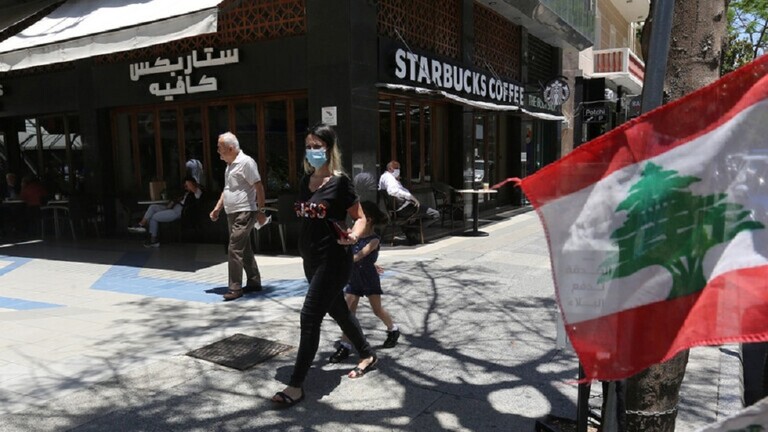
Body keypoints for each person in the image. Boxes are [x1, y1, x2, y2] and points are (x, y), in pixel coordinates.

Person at [271, 123, 377, 408]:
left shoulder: (340, 183)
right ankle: (367, 354)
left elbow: (360, 217)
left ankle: (295, 385)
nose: (312, 151)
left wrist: (354, 236)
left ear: (329, 149)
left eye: (317, 146)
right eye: (308, 146)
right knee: (338, 310)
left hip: (334, 259)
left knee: (309, 316)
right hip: (311, 259)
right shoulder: (305, 181)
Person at [329, 200, 400, 364]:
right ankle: (345, 345)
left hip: (368, 278)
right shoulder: (353, 234)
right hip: (353, 277)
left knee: (377, 310)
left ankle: (393, 329)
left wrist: (343, 262)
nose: (354, 221)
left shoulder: (374, 240)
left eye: (358, 218)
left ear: (368, 219)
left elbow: (359, 255)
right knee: (348, 313)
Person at [209, 132, 267, 301]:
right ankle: (254, 281)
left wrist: (261, 211)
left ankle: (235, 287)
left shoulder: (246, 162)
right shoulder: (229, 165)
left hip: (245, 211)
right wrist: (217, 208)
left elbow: (259, 187)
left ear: (231, 148)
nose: (218, 151)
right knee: (244, 248)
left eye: (220, 148)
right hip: (232, 212)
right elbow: (227, 189)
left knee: (234, 248)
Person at [128, 176, 203, 247]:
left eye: (187, 185)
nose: (186, 187)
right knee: (152, 207)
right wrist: (172, 203)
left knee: (153, 217)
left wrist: (190, 183)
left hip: (179, 211)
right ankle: (141, 224)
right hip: (173, 207)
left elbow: (194, 189)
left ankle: (153, 240)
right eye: (185, 185)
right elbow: (175, 201)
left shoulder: (197, 192)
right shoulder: (185, 193)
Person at [378, 160, 431, 244]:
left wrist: (397, 181)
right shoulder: (389, 178)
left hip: (398, 208)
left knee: (421, 213)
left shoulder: (386, 177)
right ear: (390, 168)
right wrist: (412, 198)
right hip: (403, 208)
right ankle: (412, 230)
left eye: (399, 168)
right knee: (434, 214)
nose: (398, 170)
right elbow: (393, 191)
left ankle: (409, 230)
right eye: (396, 168)